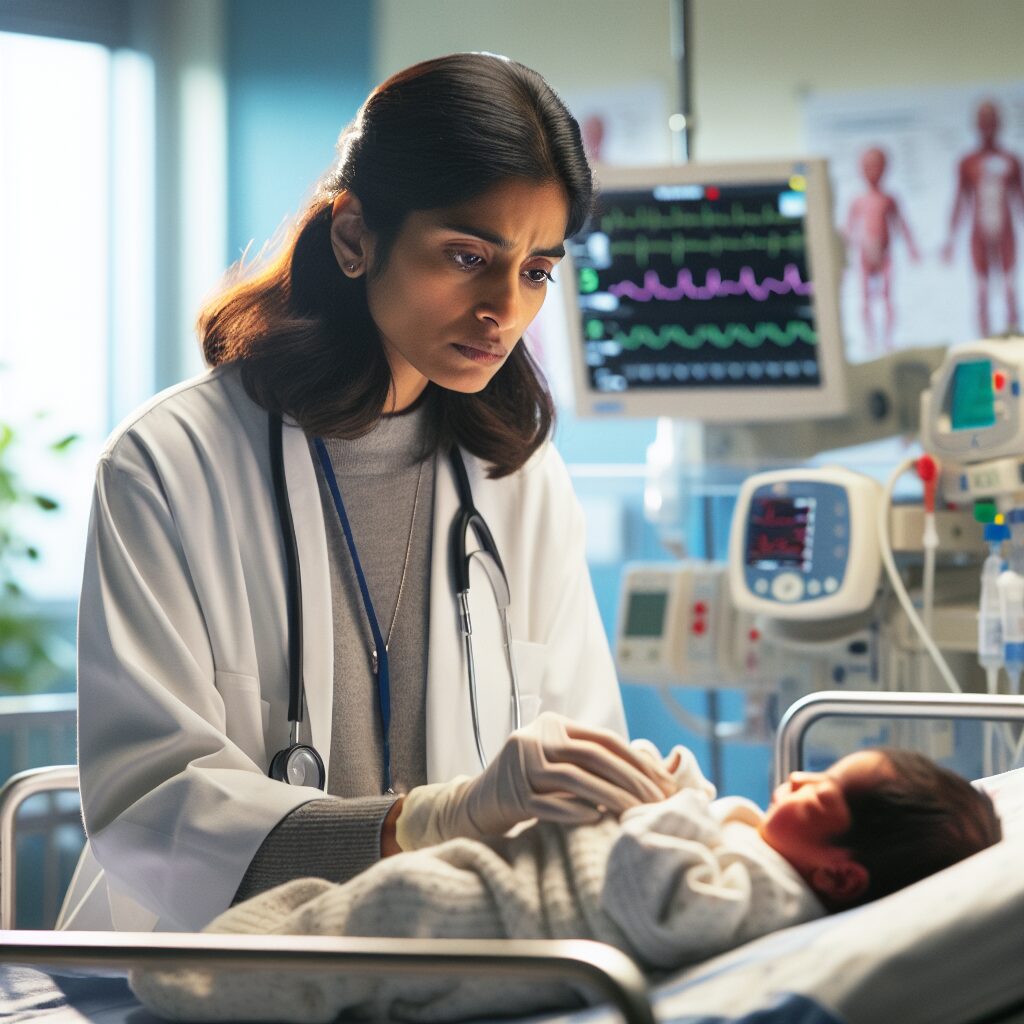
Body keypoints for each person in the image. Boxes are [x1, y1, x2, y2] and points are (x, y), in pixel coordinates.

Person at [63, 53, 678, 933]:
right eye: (467, 255)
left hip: (456, 956)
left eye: (537, 270)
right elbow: (152, 804)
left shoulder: (519, 480)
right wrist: (426, 820)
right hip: (221, 963)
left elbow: (581, 756)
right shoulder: (170, 463)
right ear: (354, 237)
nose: (502, 308)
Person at [129, 744, 1002, 1023]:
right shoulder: (766, 855)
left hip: (496, 918)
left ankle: (213, 984)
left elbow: (662, 902)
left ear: (842, 872)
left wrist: (681, 810)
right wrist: (681, 792)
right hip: (500, 876)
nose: (797, 782)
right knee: (337, 914)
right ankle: (240, 956)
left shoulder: (769, 893)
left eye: (823, 794)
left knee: (377, 925)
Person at [941, 100, 1024, 336]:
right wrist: (950, 240)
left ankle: (1016, 343)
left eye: (992, 120)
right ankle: (984, 343)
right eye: (983, 120)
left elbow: (1020, 200)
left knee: (1009, 289)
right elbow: (960, 201)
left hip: (1005, 232)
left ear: (999, 123)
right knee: (982, 291)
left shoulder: (1011, 161)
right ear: (976, 124)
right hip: (979, 233)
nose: (987, 125)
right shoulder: (968, 162)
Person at [843, 145, 920, 354]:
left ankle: (888, 340)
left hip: (885, 255)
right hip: (865, 255)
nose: (872, 171)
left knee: (887, 297)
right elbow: (849, 229)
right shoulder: (858, 201)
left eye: (877, 166)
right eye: (868, 166)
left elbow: (902, 225)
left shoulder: (889, 199)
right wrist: (843, 253)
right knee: (866, 298)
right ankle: (869, 340)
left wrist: (912, 249)